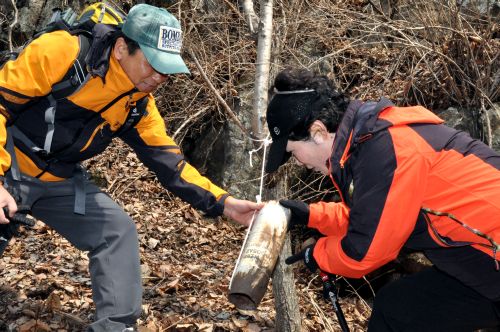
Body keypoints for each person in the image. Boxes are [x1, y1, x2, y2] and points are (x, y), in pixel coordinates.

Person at [0, 4, 261, 331]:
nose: (159, 77)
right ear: (123, 48)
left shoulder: (137, 106)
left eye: (166, 70)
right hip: (8, 164)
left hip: (59, 179)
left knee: (116, 230)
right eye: (153, 65)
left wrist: (225, 204)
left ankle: (116, 326)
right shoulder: (63, 52)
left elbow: (171, 165)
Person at [265, 68, 500, 331]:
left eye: (294, 152)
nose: (300, 163)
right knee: (396, 309)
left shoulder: (387, 150)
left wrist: (318, 255)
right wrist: (312, 215)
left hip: (490, 260)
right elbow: (374, 219)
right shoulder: (367, 146)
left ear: (318, 131)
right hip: (481, 266)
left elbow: (364, 251)